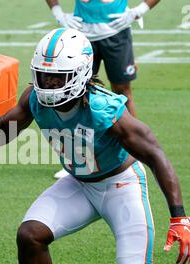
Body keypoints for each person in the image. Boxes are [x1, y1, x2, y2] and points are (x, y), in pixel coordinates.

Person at [0, 28, 190, 264]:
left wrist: (179, 217)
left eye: (56, 77)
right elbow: (1, 132)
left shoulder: (103, 108)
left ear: (80, 74)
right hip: (79, 183)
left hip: (120, 184)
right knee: (30, 236)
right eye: (43, 75)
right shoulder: (35, 98)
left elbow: (155, 154)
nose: (48, 84)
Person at [46, 0, 160, 179]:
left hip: (116, 31)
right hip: (81, 37)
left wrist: (139, 10)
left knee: (123, 92)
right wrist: (58, 12)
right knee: (78, 95)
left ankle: (137, 151)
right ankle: (78, 158)